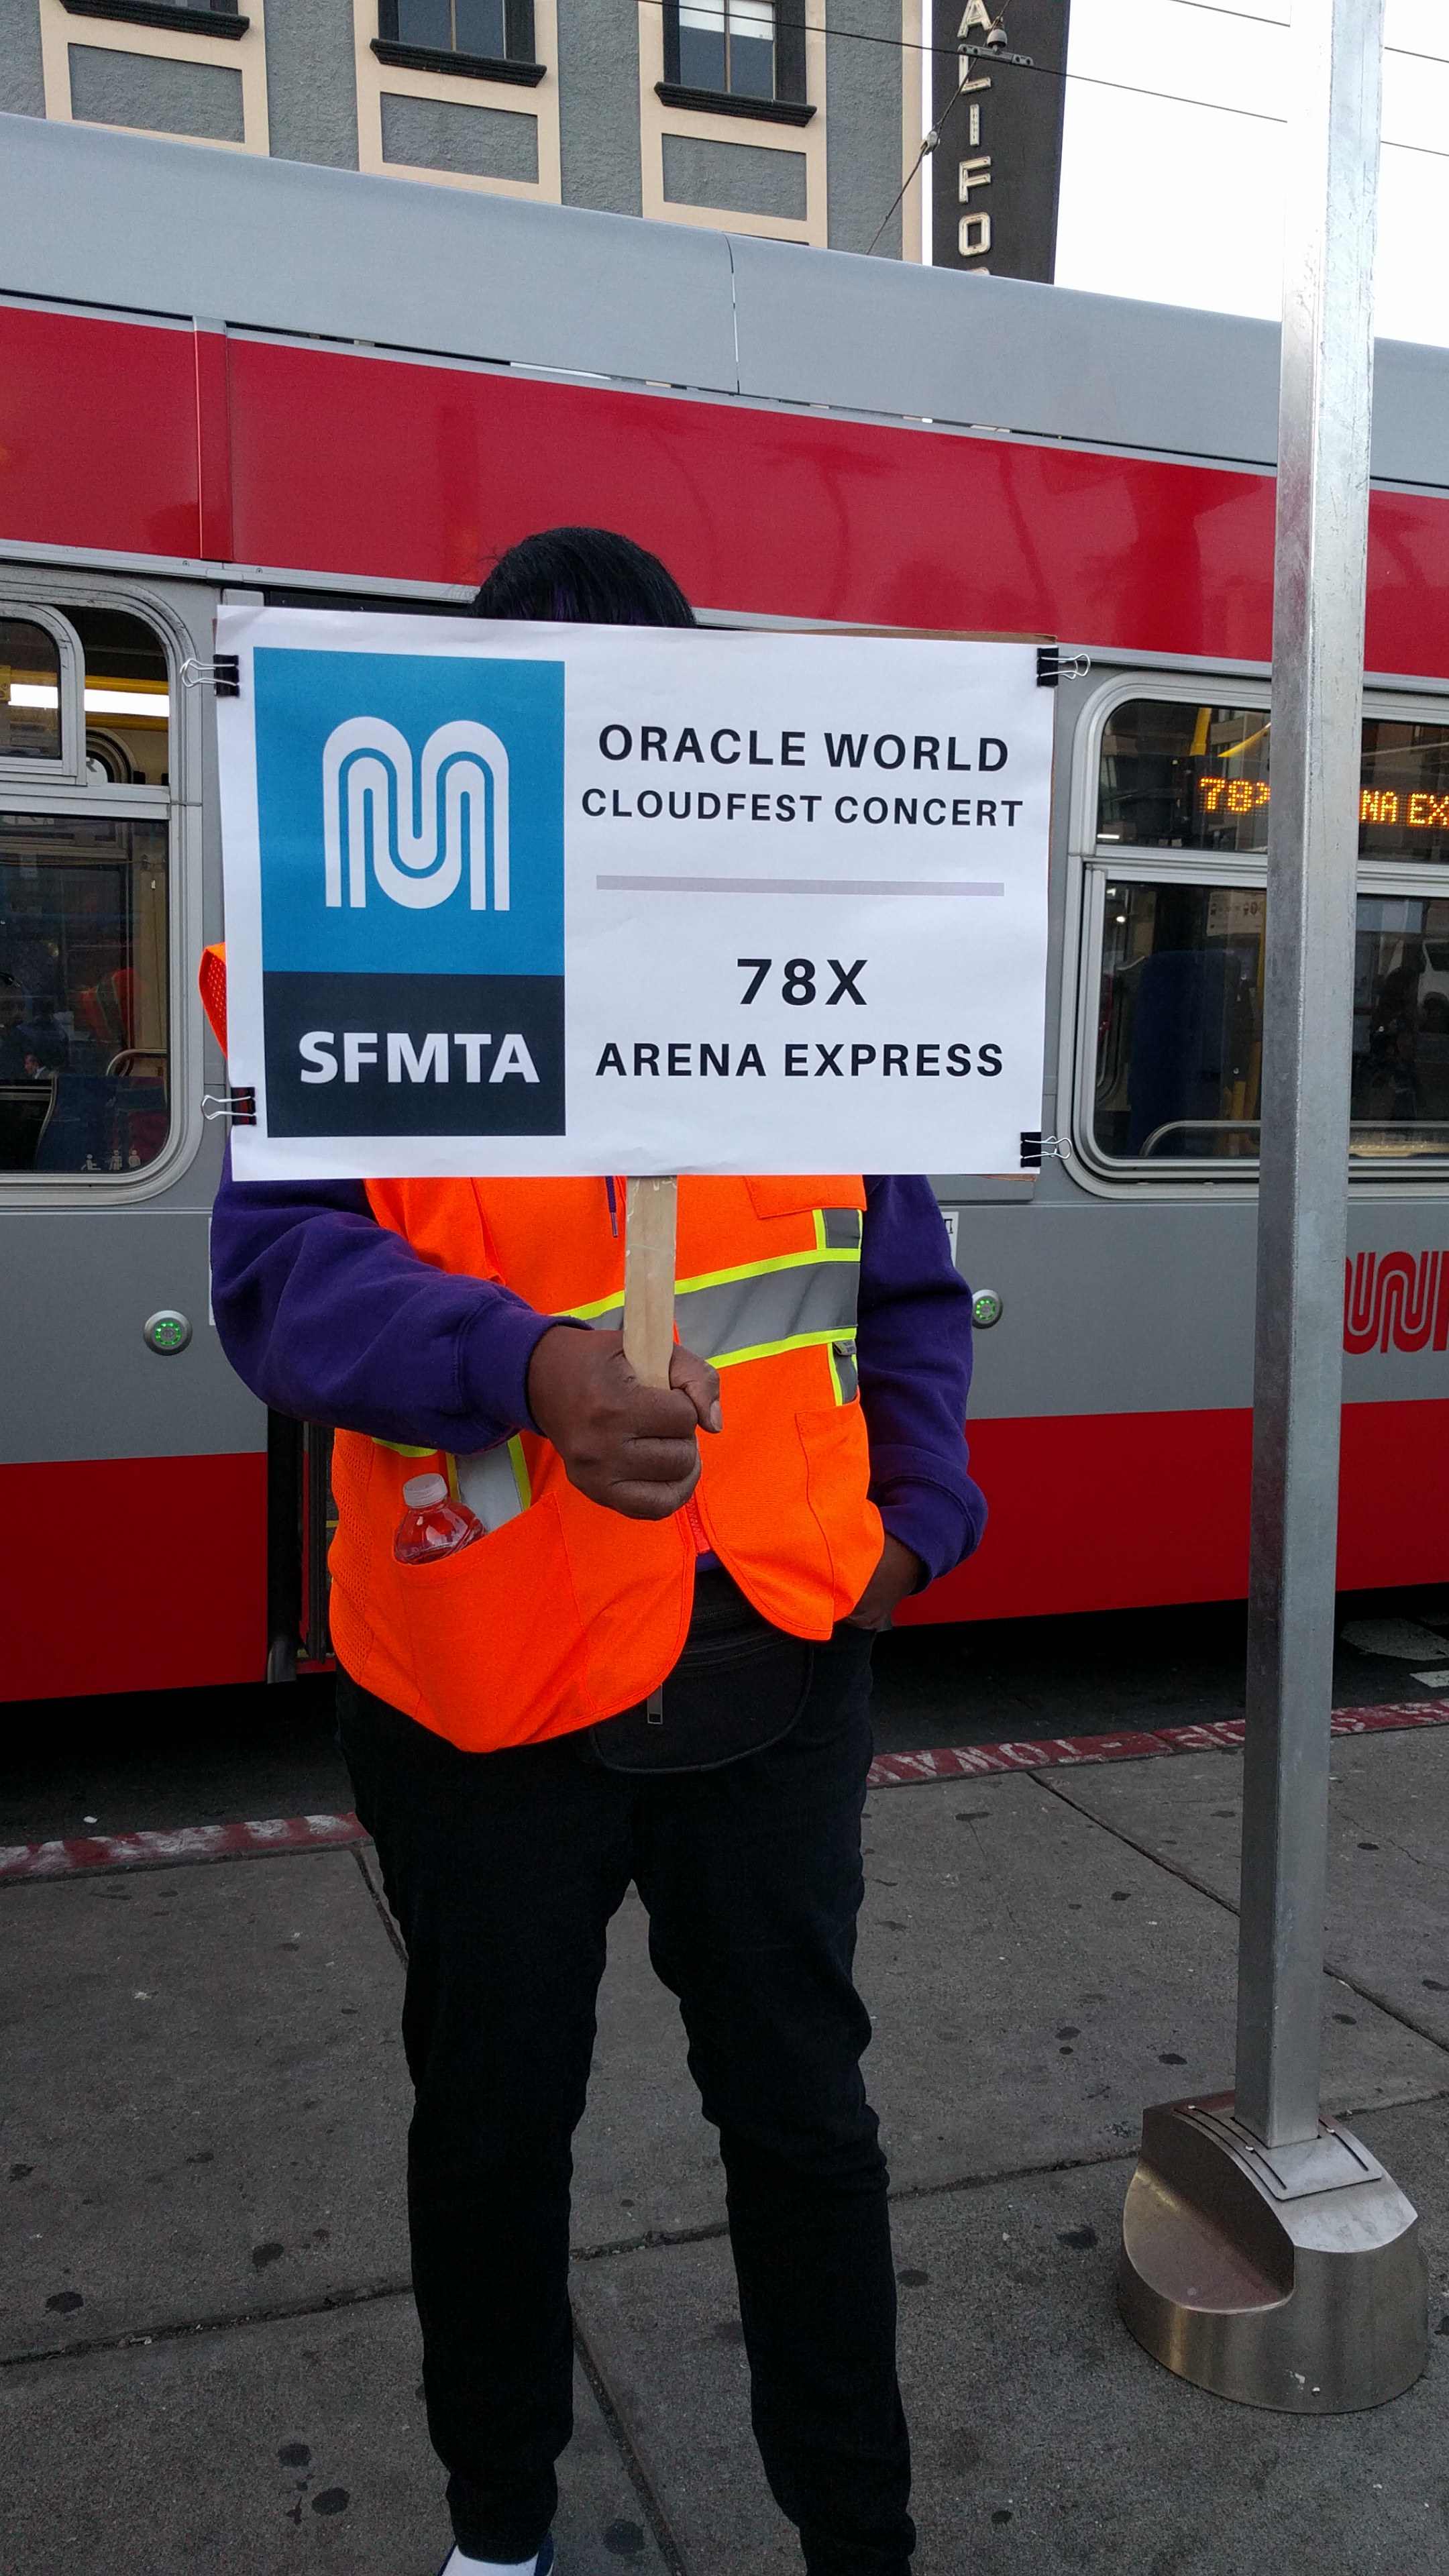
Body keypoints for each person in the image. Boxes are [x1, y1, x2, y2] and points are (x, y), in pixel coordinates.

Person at [209, 525, 985, 2576]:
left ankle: (860, 2536)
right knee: (490, 2136)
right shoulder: (361, 957)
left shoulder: (811, 987)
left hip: (780, 1664)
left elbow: (904, 1290)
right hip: (483, 1695)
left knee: (805, 2123)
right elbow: (276, 1284)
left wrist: (916, 1526)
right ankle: (500, 2533)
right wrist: (533, 1368)